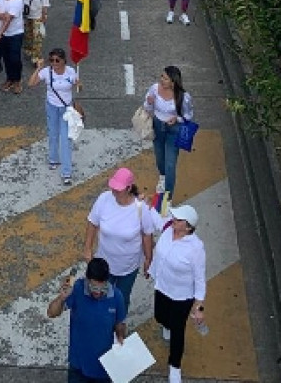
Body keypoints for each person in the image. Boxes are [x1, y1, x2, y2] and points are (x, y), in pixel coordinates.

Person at [84, 167, 156, 315]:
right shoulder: (104, 199)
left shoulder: (141, 208)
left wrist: (149, 259)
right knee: (100, 296)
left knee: (122, 299)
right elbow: (92, 222)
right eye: (113, 187)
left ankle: (119, 325)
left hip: (128, 266)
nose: (114, 191)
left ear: (129, 188)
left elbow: (146, 235)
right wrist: (87, 248)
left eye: (118, 188)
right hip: (104, 264)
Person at [150, 204, 207, 383]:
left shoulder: (196, 248)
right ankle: (167, 325)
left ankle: (175, 367)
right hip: (162, 287)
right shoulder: (168, 227)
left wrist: (198, 306)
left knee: (177, 331)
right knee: (159, 316)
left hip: (181, 297)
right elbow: (155, 215)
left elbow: (199, 278)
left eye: (179, 219)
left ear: (188, 227)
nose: (174, 219)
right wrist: (151, 202)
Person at [46, 257, 127, 383]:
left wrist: (121, 337)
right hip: (78, 366)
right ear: (87, 279)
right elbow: (51, 313)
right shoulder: (77, 289)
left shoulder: (117, 296)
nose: (98, 293)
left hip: (105, 367)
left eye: (102, 288)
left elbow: (119, 323)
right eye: (94, 288)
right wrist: (62, 298)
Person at [143, 66, 194, 206]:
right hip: (158, 127)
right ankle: (163, 178)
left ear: (173, 81)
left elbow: (188, 115)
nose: (161, 80)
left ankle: (167, 198)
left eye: (165, 78)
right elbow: (147, 108)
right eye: (161, 76)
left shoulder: (183, 97)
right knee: (160, 159)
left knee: (170, 164)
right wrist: (149, 102)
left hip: (173, 130)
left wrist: (176, 119)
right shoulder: (154, 89)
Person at [28, 48, 79, 185]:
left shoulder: (71, 72)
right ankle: (53, 159)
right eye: (51, 60)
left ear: (64, 61)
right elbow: (31, 84)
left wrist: (79, 85)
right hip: (51, 107)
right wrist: (38, 69)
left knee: (66, 140)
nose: (54, 63)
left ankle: (66, 172)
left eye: (57, 60)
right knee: (53, 134)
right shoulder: (46, 72)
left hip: (66, 110)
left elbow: (77, 86)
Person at [18, 0, 50, 66]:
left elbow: (45, 1)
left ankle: (36, 57)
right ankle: (28, 50)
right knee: (27, 35)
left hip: (37, 14)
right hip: (25, 14)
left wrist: (44, 14)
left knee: (37, 36)